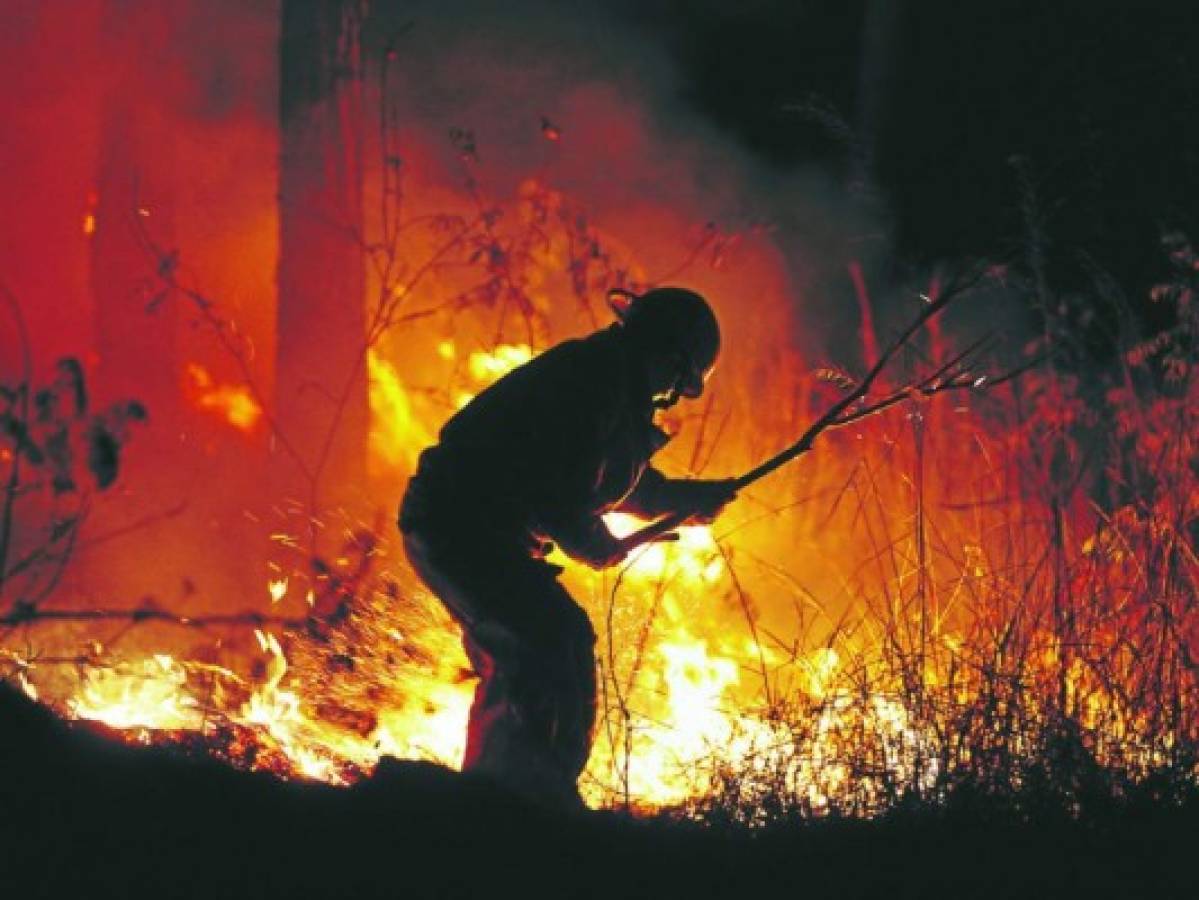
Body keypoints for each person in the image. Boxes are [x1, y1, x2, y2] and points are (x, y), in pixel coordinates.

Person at [398, 287, 737, 808]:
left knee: (544, 640)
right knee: (540, 641)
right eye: (676, 382)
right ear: (666, 356)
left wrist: (691, 499)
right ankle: (508, 798)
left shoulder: (610, 384)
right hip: (458, 524)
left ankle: (519, 793)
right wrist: (592, 544)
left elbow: (613, 485)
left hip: (476, 531)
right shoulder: (590, 382)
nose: (670, 397)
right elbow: (551, 484)